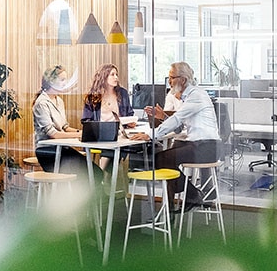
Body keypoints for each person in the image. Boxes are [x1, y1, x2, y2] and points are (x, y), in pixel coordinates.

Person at [130, 62, 221, 210]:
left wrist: (150, 135)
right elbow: (178, 127)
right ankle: (173, 205)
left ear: (183, 80)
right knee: (167, 156)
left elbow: (177, 120)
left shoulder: (196, 95)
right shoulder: (187, 97)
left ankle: (192, 195)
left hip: (207, 147)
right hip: (199, 144)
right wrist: (163, 116)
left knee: (161, 158)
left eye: (172, 78)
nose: (170, 82)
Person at [33, 65, 103, 183]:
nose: (65, 83)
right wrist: (78, 135)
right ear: (51, 81)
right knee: (89, 175)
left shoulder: (59, 100)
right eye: (62, 80)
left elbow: (64, 127)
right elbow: (53, 134)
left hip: (62, 149)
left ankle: (95, 201)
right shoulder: (41, 103)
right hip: (48, 152)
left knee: (96, 173)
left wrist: (80, 132)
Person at [82, 63, 136, 170]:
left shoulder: (123, 93)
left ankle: (101, 177)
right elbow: (86, 120)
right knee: (112, 149)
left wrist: (130, 122)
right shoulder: (93, 96)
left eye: (116, 74)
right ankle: (102, 177)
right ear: (103, 76)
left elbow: (129, 114)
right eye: (112, 74)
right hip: (98, 136)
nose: (116, 77)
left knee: (115, 148)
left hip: (119, 135)